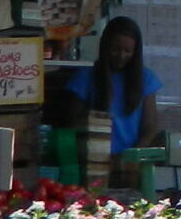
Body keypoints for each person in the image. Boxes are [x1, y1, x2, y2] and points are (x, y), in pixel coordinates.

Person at [66, 15, 164, 153]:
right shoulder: (85, 77)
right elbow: (73, 124)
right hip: (93, 157)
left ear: (136, 52)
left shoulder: (146, 78)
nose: (121, 56)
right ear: (105, 47)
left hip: (130, 161)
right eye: (115, 49)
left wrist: (132, 156)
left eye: (127, 51)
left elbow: (150, 128)